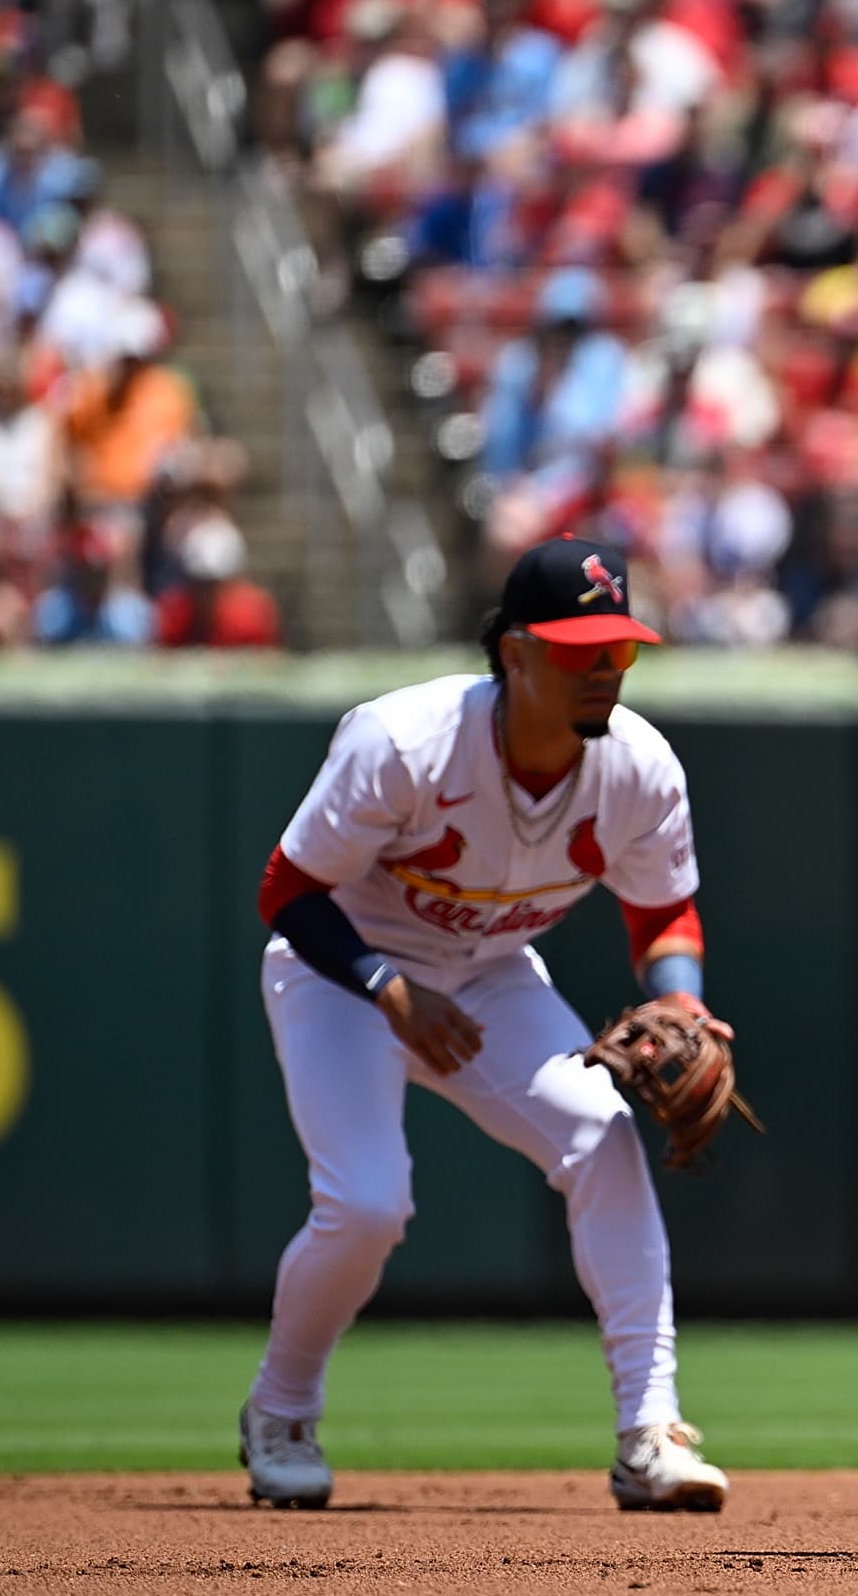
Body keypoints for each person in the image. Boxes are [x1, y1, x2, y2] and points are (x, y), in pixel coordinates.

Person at [240, 535, 733, 1512]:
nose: (604, 669)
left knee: (603, 1138)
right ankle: (282, 1408)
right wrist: (386, 987)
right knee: (370, 1203)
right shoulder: (406, 741)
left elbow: (662, 911)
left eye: (619, 649)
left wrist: (680, 995)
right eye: (579, 648)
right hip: (342, 965)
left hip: (491, 973)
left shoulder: (638, 767)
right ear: (514, 650)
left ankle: (650, 1429)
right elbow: (286, 889)